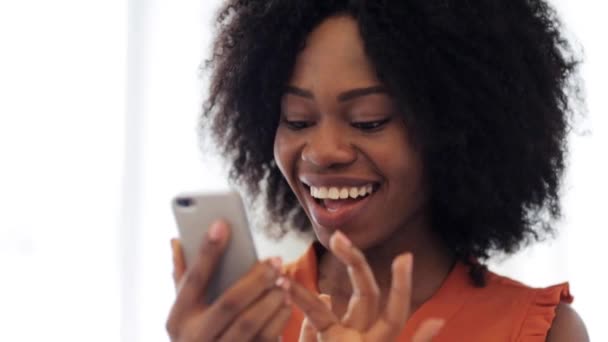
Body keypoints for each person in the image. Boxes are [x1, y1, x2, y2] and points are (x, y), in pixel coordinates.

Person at [166, 0, 589, 340]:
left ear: (457, 129)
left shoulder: (539, 332)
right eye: (297, 119)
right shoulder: (242, 323)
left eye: (369, 120)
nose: (322, 152)